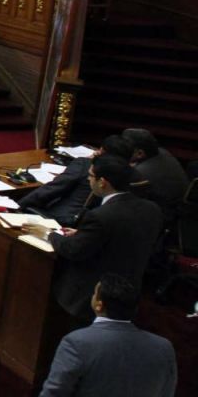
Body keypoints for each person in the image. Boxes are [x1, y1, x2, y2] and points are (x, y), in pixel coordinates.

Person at [23, 153, 163, 323]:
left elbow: (74, 250)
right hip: (129, 289)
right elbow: (123, 235)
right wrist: (84, 234)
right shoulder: (152, 209)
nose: (89, 180)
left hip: (91, 294)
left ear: (102, 182)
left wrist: (47, 233)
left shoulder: (100, 216)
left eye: (90, 176)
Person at [38, 274, 176, 397]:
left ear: (99, 304)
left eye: (94, 294)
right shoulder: (164, 347)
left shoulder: (76, 343)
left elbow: (54, 393)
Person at [120, 128, 188, 224]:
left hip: (161, 219)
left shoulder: (139, 174)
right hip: (180, 211)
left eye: (124, 148)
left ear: (140, 153)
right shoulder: (162, 152)